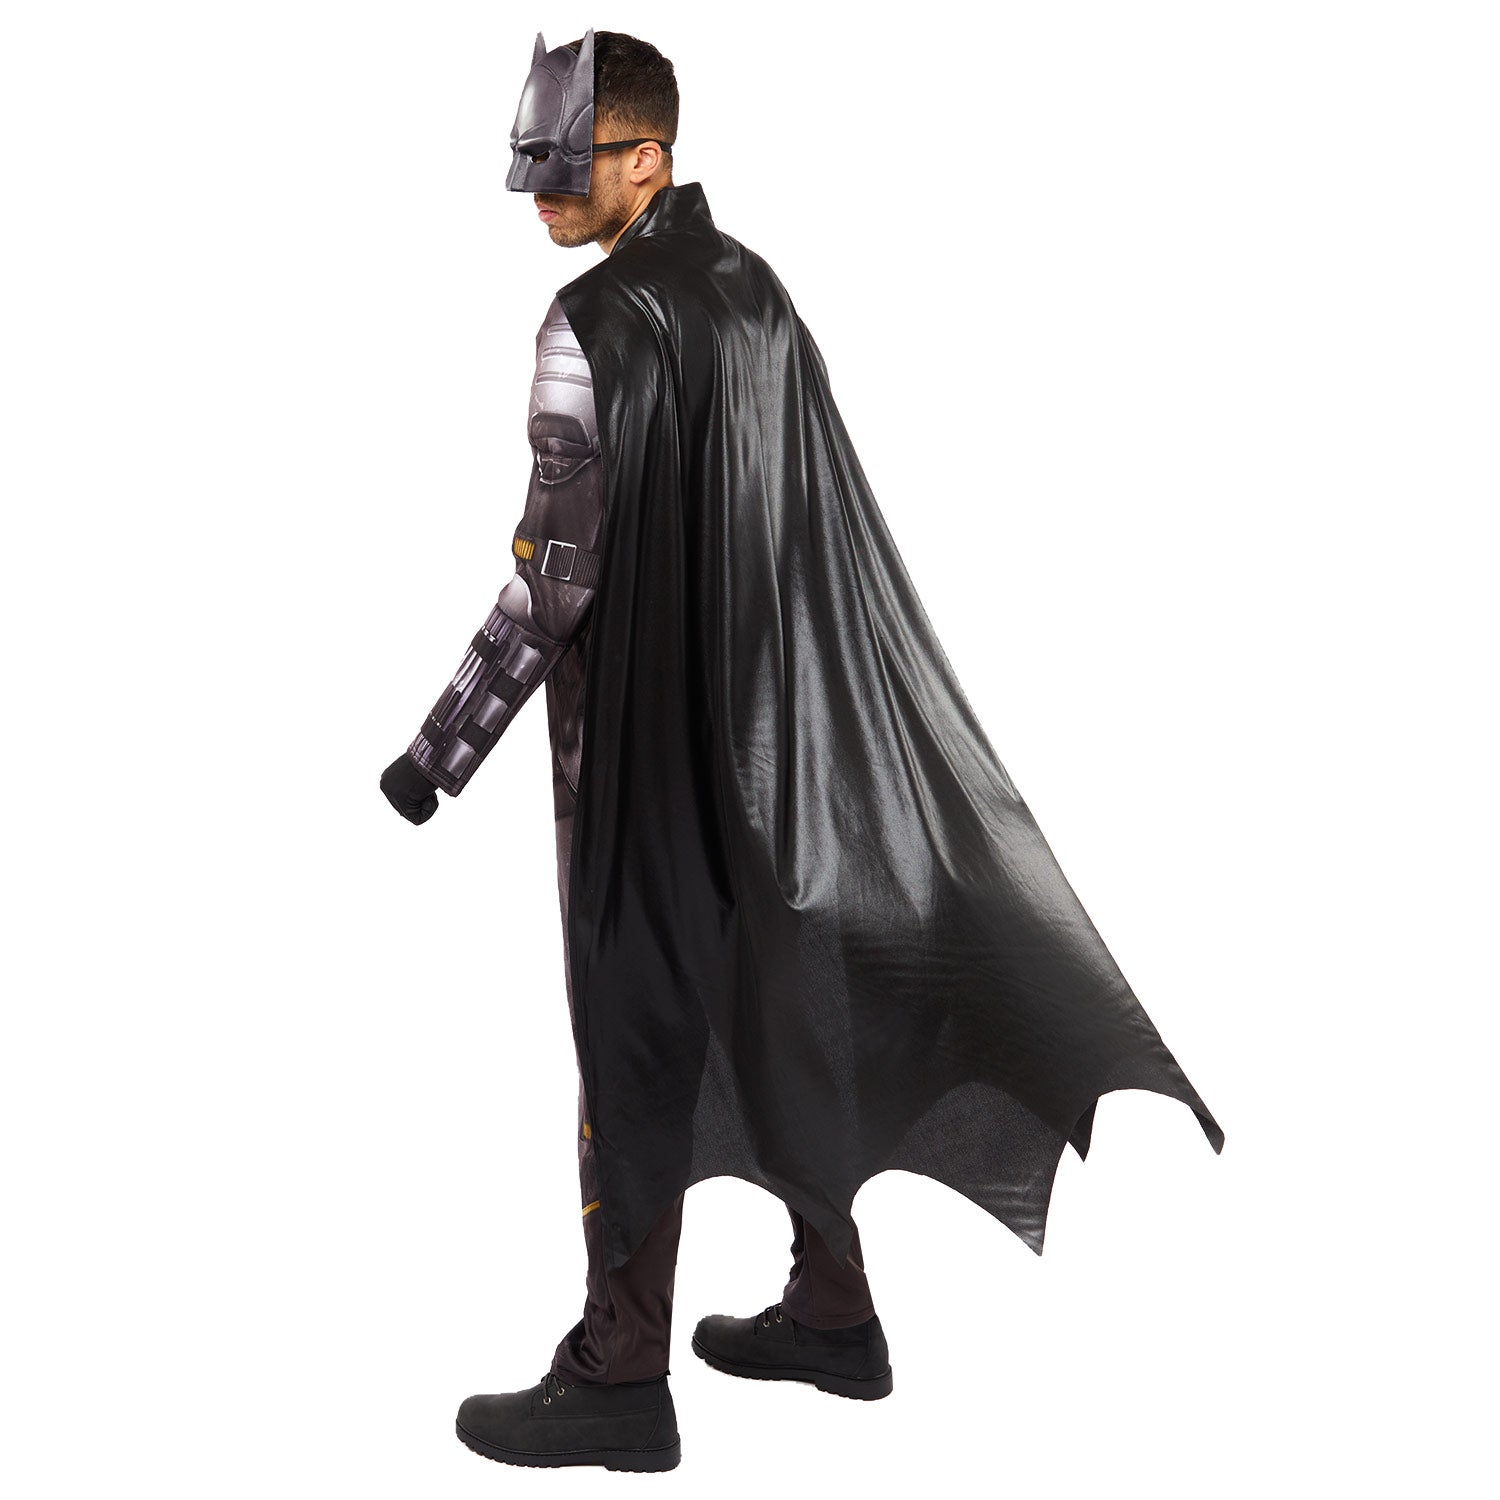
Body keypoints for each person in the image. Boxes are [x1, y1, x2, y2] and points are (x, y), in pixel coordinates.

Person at [381, 28, 1223, 1475]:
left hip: (642, 765)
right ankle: (835, 1316)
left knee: (633, 1042)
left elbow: (554, 585)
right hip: (774, 753)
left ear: (647, 158)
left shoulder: (588, 325)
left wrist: (433, 755)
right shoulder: (757, 290)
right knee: (780, 1016)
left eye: (566, 168)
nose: (539, 196)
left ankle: (619, 1378)